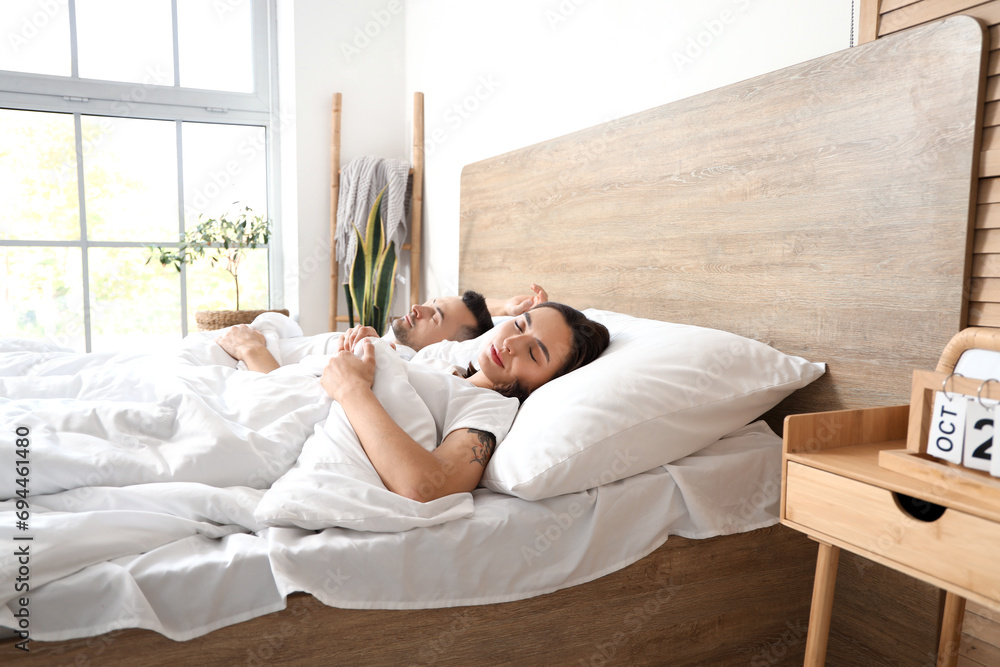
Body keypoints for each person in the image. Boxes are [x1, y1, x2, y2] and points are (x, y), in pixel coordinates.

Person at [321, 302, 610, 502]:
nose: (511, 344)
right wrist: (370, 347)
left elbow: (425, 487)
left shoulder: (490, 408)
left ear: (547, 383)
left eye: (534, 354)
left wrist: (351, 389)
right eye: (520, 326)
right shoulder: (440, 362)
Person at [217, 284, 549, 372]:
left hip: (246, 357)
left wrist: (252, 349)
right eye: (430, 302)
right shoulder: (384, 342)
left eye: (434, 316)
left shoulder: (398, 361)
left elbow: (284, 397)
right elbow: (463, 317)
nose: (416, 308)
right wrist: (505, 308)